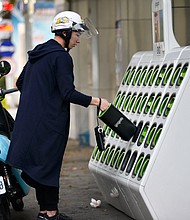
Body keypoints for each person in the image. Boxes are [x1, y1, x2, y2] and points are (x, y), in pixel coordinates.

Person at [6, 11, 110, 220]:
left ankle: (45, 212)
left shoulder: (38, 53)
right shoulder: (61, 57)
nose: (79, 39)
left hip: (30, 123)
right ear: (65, 32)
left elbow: (20, 83)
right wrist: (98, 102)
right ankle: (51, 214)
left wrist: (38, 102)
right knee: (49, 167)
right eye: (77, 34)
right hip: (51, 124)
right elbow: (67, 93)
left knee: (43, 168)